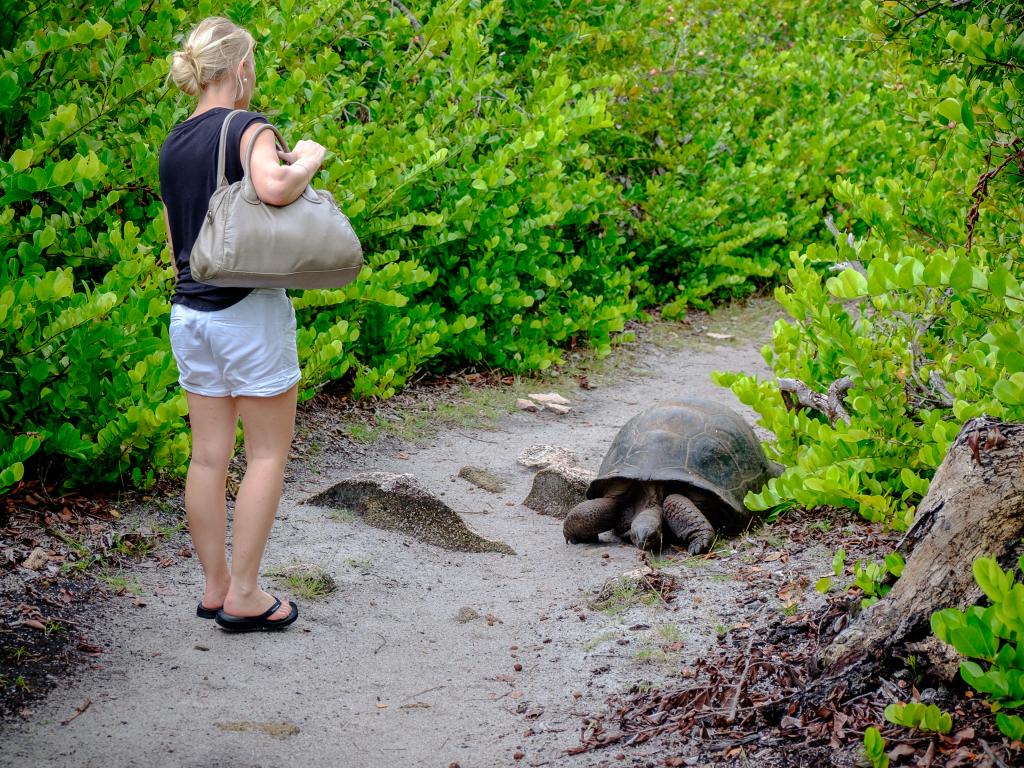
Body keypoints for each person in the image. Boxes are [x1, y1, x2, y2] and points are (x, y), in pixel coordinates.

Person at [159, 17, 326, 632]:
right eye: (253, 63)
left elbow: (179, 239)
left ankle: (214, 587)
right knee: (266, 455)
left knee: (207, 459)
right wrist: (307, 159)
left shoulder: (174, 142)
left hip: (189, 312)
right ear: (240, 68)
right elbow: (275, 187)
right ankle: (247, 596)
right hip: (246, 310)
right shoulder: (247, 127)